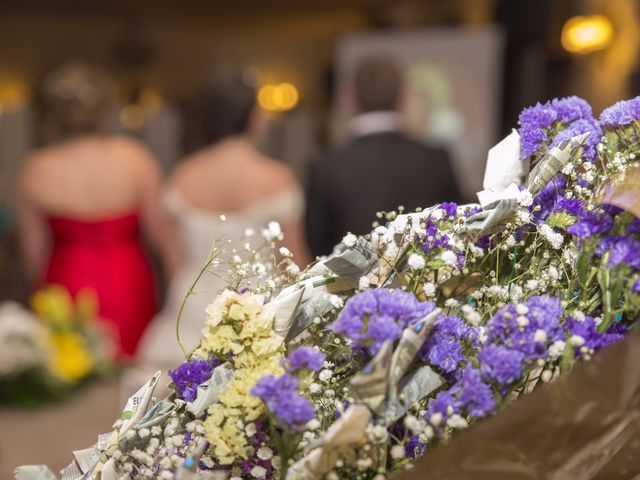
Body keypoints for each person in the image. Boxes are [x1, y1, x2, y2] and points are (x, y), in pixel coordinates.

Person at [136, 70, 308, 368]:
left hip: (193, 306)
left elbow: (173, 259)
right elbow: (294, 262)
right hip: (259, 306)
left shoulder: (184, 175)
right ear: (253, 117)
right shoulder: (276, 178)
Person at [17, 64, 179, 358]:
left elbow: (34, 256)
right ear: (103, 110)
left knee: (70, 374)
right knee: (133, 379)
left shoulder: (37, 168)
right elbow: (163, 238)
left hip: (66, 286)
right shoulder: (135, 158)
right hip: (128, 281)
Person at [305, 57, 462, 258]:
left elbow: (316, 247)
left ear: (348, 96)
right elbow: (455, 229)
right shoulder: (436, 159)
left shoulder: (325, 167)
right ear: (403, 96)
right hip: (421, 287)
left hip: (350, 290)